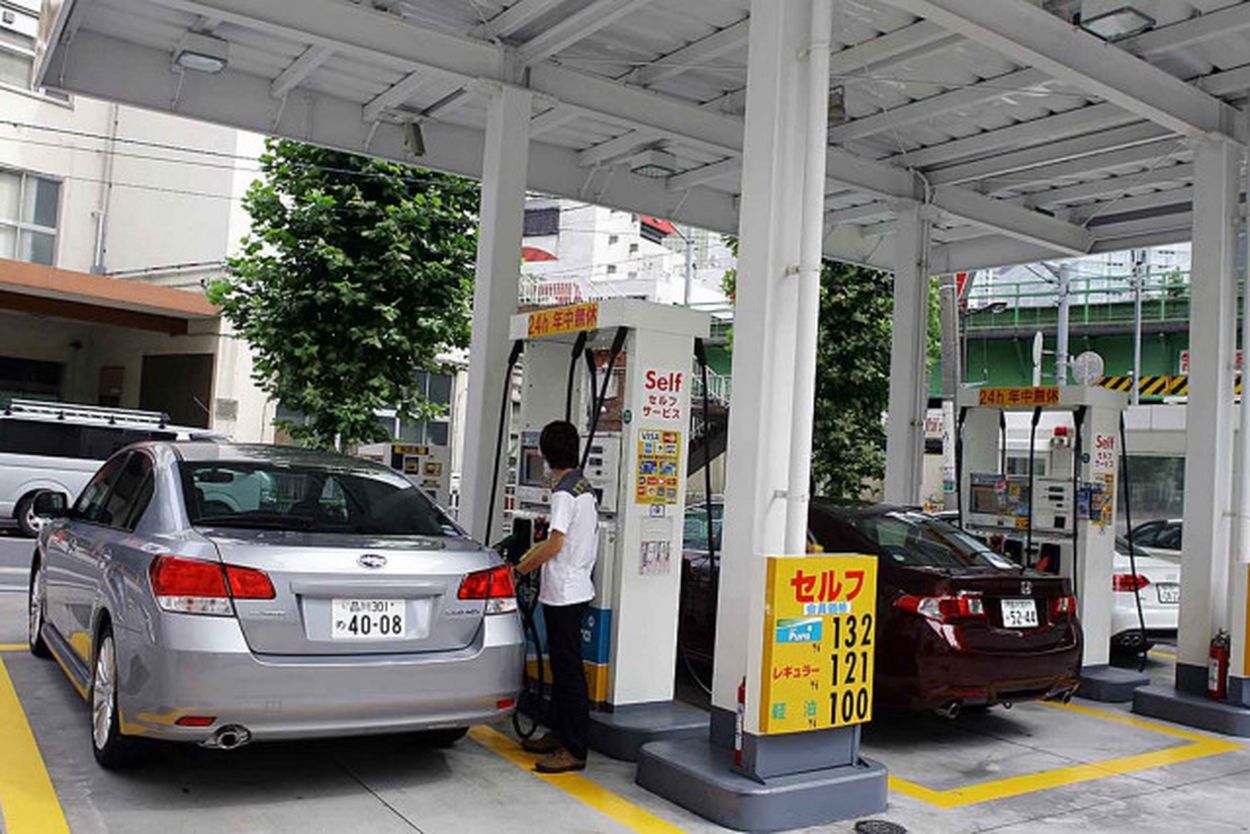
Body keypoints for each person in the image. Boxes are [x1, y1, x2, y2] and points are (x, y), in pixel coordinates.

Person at [515, 420, 599, 773]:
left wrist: (519, 569)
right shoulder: (584, 486)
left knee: (568, 672)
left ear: (546, 453)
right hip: (574, 587)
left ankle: (574, 749)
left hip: (564, 591)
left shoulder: (564, 491)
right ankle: (559, 732)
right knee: (562, 667)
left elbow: (555, 542)